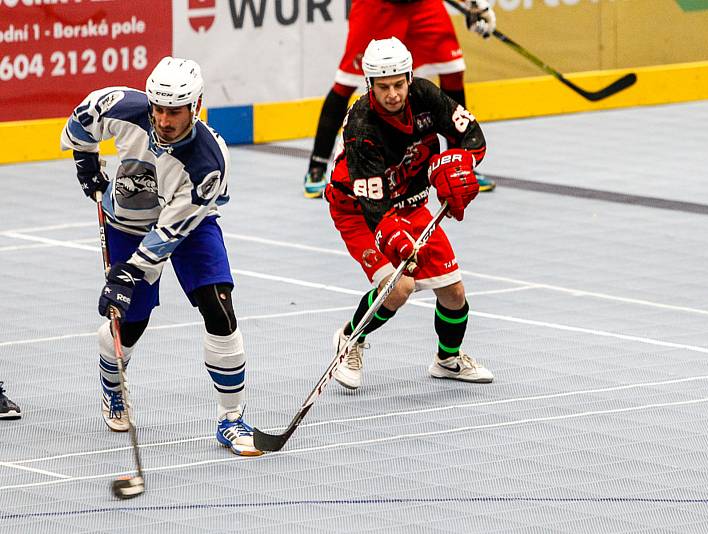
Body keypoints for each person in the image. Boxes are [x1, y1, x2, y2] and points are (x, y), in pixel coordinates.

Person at [60, 57, 261, 457]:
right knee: (130, 323)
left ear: (196, 106)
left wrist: (128, 274)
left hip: (189, 224)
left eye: (175, 111)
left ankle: (231, 419)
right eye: (159, 109)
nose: (164, 119)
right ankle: (114, 384)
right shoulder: (120, 106)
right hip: (127, 222)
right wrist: (85, 162)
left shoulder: (208, 162)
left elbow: (169, 233)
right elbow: (80, 122)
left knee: (219, 308)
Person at [325, 37, 494, 390]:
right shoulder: (361, 127)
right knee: (399, 287)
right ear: (370, 84)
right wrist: (399, 240)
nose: (393, 94)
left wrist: (461, 162)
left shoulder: (426, 96)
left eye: (399, 84)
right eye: (383, 87)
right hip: (357, 210)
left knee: (454, 293)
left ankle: (447, 360)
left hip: (410, 202)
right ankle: (350, 339)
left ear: (409, 76)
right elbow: (374, 209)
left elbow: (472, 135)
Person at [303, 0, 498, 198]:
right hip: (377, 6)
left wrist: (476, 4)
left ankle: (459, 166)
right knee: (345, 82)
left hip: (421, 5)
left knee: (453, 70)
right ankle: (316, 167)